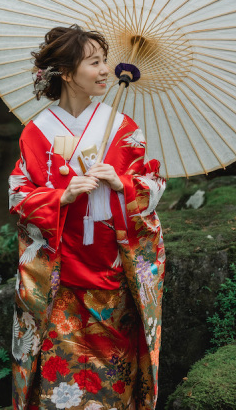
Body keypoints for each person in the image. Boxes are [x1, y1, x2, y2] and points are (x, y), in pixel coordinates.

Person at [9, 25, 166, 410]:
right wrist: (61, 195)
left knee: (113, 376)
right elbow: (18, 192)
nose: (104, 70)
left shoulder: (124, 129)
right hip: (59, 277)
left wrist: (124, 184)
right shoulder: (37, 132)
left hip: (112, 275)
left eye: (104, 61)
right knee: (57, 374)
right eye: (94, 62)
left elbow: (153, 184)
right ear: (66, 72)